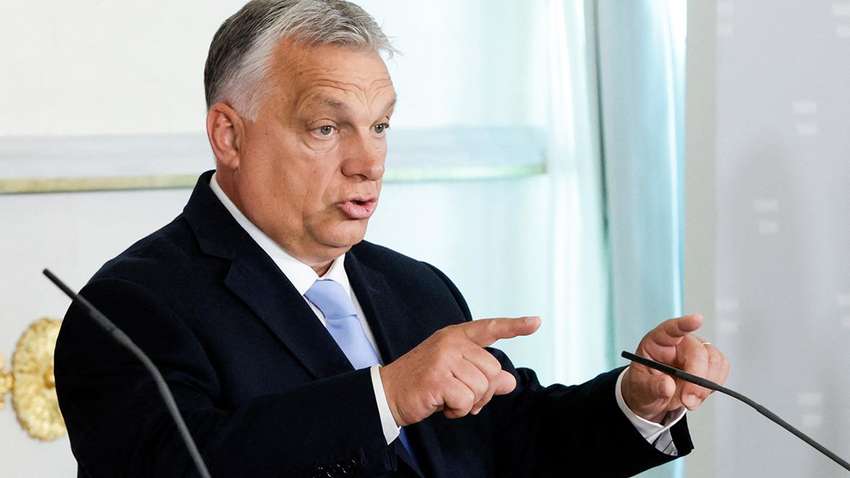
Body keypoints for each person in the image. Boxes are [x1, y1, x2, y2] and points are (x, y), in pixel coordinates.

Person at [54, 1, 730, 477]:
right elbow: (183, 466)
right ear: (229, 135)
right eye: (327, 128)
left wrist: (633, 402)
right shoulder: (131, 307)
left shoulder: (415, 287)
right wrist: (385, 398)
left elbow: (513, 443)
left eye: (380, 126)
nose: (368, 163)